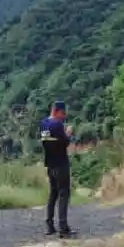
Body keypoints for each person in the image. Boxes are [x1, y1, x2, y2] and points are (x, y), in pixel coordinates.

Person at [39, 100, 75, 238]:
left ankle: (49, 225)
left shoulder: (43, 125)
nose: (64, 116)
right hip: (61, 164)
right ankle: (63, 228)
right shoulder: (57, 125)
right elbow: (65, 142)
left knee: (53, 194)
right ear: (56, 111)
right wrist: (68, 132)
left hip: (50, 164)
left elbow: (48, 143)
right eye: (63, 113)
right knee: (63, 194)